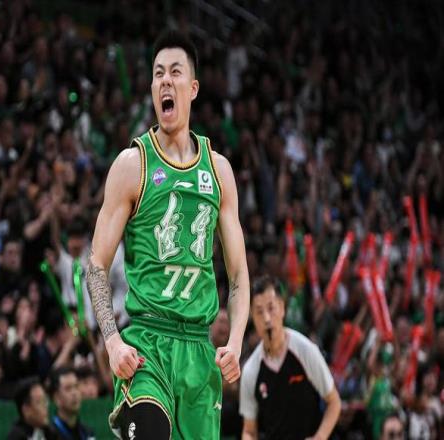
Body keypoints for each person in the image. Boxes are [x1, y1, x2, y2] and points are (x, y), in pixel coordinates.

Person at [86, 29, 249, 439]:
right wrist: (112, 341)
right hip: (147, 347)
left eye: (175, 72)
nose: (165, 81)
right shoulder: (132, 164)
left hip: (199, 353)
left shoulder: (219, 170)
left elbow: (239, 275)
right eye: (158, 74)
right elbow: (96, 265)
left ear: (192, 88)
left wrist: (236, 341)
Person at [239, 276, 341, 440]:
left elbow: (334, 402)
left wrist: (320, 437)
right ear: (252, 317)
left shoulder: (306, 350)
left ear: (282, 308)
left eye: (271, 308)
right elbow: (249, 430)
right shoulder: (251, 369)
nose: (266, 318)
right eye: (259, 312)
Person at [48, 366, 95, 440]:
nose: (74, 393)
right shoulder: (49, 435)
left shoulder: (88, 433)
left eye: (76, 386)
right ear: (56, 397)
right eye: (68, 388)